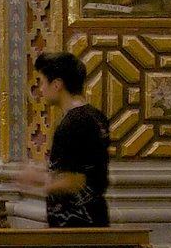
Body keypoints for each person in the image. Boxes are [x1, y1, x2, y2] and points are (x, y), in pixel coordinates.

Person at [16, 51, 111, 227]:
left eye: (43, 81)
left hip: (77, 225)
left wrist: (38, 181)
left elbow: (74, 181)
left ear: (57, 84)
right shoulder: (94, 116)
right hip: (93, 218)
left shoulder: (72, 124)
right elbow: (76, 166)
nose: (40, 88)